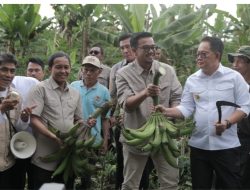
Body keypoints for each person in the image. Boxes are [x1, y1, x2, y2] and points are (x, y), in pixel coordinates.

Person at [156, 36, 250, 189]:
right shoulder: (193, 80)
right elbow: (186, 108)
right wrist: (167, 111)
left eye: (204, 54)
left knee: (230, 186)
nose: (199, 57)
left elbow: (244, 107)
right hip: (199, 147)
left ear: (217, 55)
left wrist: (227, 123)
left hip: (226, 147)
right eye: (198, 54)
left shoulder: (234, 78)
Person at [116, 32, 182, 190]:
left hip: (164, 135)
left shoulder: (167, 70)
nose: (151, 51)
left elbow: (177, 96)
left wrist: (169, 111)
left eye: (153, 47)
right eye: (146, 48)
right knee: (131, 184)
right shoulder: (123, 74)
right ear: (134, 49)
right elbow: (126, 104)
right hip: (137, 136)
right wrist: (145, 93)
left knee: (170, 182)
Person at [27, 51, 83, 189]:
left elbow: (78, 120)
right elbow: (33, 119)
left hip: (67, 157)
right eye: (58, 67)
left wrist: (83, 127)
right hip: (44, 157)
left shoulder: (75, 93)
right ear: (50, 69)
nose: (63, 71)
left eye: (66, 67)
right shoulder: (40, 89)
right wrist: (54, 138)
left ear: (70, 68)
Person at [110, 33, 154, 190]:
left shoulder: (152, 66)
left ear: (135, 48)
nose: (125, 50)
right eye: (122, 48)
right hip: (124, 125)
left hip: (147, 125)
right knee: (124, 166)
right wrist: (116, 116)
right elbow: (114, 98)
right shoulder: (117, 69)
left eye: (128, 46)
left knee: (145, 168)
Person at [71, 55, 110, 189]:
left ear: (99, 72)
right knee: (70, 172)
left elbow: (105, 118)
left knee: (87, 175)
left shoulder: (104, 91)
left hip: (93, 139)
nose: (88, 73)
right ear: (81, 70)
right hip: (73, 136)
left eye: (92, 70)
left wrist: (105, 140)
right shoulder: (73, 86)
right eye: (85, 69)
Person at [0, 53, 34, 189]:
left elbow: (18, 128)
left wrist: (24, 119)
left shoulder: (16, 95)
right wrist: (1, 109)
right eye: (4, 69)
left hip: (9, 162)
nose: (8, 74)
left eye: (12, 71)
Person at [228, 45, 250, 188]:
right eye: (234, 61)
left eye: (240, 61)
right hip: (231, 139)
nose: (234, 65)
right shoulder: (232, 84)